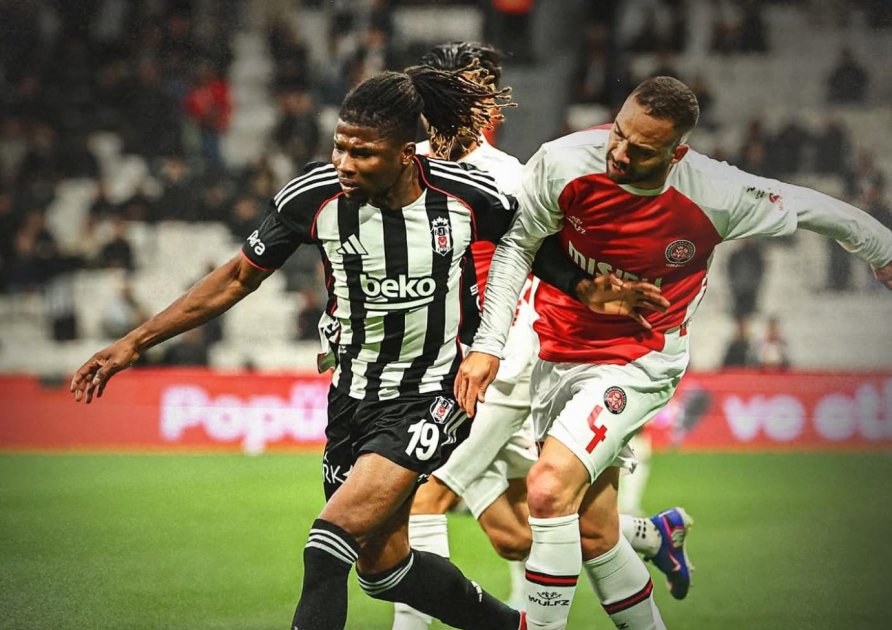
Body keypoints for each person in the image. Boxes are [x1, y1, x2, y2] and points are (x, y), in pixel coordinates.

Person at [70, 66, 663, 630]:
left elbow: (531, 246)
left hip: (433, 394)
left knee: (326, 546)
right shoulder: (313, 197)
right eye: (340, 147)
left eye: (362, 153)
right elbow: (236, 277)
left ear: (406, 153)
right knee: (384, 570)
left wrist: (588, 289)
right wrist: (134, 342)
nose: (344, 163)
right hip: (351, 397)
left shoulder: (466, 196)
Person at [455, 76, 892, 630]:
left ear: (676, 154)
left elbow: (806, 204)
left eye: (641, 149)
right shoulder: (564, 161)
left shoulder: (715, 193)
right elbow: (518, 246)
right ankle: (658, 556)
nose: (619, 153)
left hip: (640, 358)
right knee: (595, 531)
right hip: (558, 352)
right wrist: (490, 345)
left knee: (549, 488)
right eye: (619, 133)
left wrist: (880, 246)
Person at [394, 43, 694, 630]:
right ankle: (651, 534)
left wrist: (590, 294)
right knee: (517, 534)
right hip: (443, 365)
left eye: (469, 99)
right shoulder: (411, 168)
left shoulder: (511, 176)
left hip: (503, 370)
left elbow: (546, 261)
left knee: (421, 499)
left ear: (485, 109)